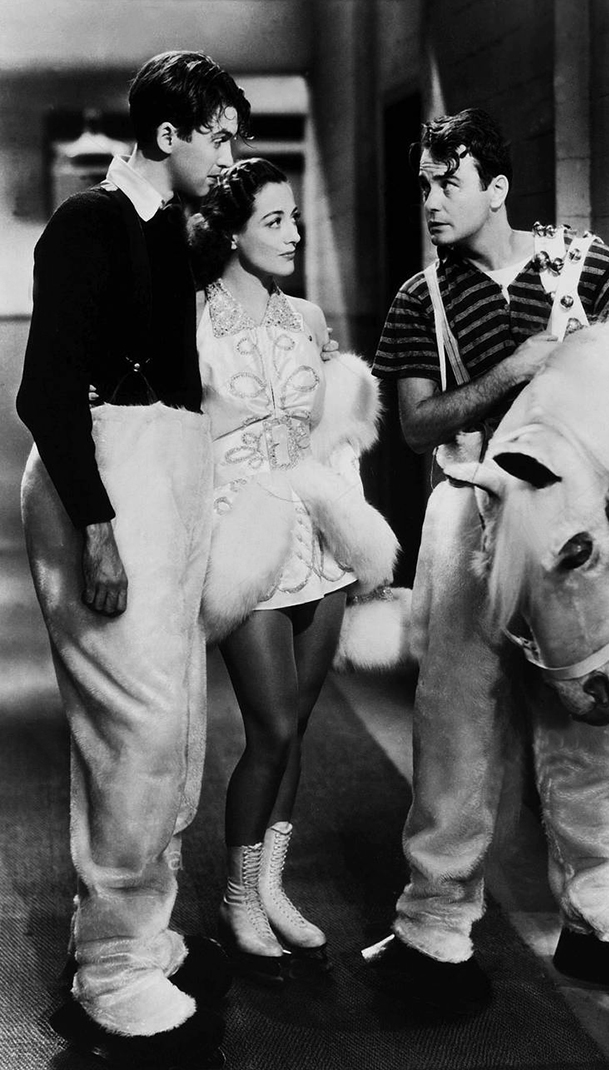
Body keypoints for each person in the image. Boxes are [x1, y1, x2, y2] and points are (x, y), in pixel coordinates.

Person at [364, 108, 609, 1015]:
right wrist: (513, 370)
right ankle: (434, 924)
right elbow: (415, 426)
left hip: (573, 523)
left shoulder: (577, 261)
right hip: (473, 516)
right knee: (457, 721)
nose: (431, 200)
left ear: (496, 187)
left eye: (448, 182)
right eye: (423, 184)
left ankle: (603, 910)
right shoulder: (420, 298)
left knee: (588, 706)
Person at [17, 52, 250, 1069]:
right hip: (103, 491)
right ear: (168, 134)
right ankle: (110, 967)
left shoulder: (166, 231)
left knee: (174, 728)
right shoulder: (88, 223)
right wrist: (98, 526)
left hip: (164, 489)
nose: (230, 154)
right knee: (136, 729)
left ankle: (143, 934)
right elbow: (45, 391)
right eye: (220, 135)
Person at [188, 159, 398, 984]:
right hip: (243, 542)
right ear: (233, 230)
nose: (294, 234)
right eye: (274, 220)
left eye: (294, 218)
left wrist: (358, 538)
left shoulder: (308, 318)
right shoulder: (190, 317)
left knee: (298, 727)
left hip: (320, 541)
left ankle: (271, 888)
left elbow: (338, 440)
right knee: (271, 729)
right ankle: (238, 899)